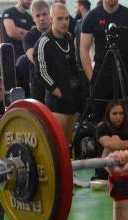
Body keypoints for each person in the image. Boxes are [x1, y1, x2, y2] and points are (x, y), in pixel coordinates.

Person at [80, 0, 128, 125]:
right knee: (101, 119)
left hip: (125, 73)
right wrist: (91, 77)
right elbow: (83, 48)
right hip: (101, 74)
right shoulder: (91, 17)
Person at [36, 3, 82, 144]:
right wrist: (58, 92)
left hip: (72, 97)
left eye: (66, 18)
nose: (64, 22)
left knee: (68, 142)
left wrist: (78, 90)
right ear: (51, 20)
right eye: (60, 19)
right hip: (57, 101)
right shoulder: (44, 42)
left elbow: (74, 65)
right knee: (57, 143)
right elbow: (41, 73)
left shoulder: (68, 38)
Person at [23, 0, 52, 101]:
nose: (41, 18)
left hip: (58, 80)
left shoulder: (59, 33)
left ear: (50, 14)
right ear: (33, 18)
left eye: (44, 14)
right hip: (38, 83)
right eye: (38, 15)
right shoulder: (29, 36)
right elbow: (35, 59)